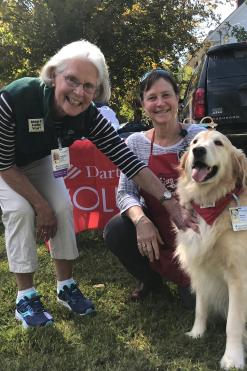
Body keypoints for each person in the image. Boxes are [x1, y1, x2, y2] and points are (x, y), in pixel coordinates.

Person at [0, 42, 195, 328]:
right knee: (20, 210)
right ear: (54, 75)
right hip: (6, 165)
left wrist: (169, 202)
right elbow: (4, 164)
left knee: (64, 206)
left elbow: (128, 162)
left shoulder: (90, 115)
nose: (79, 93)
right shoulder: (14, 97)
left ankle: (66, 286)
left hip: (39, 160)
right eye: (72, 80)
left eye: (88, 86)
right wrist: (41, 206)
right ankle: (25, 297)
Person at [104, 68, 205, 308]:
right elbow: (125, 192)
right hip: (160, 233)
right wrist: (141, 220)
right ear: (143, 103)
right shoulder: (135, 143)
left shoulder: (200, 137)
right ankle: (151, 281)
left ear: (178, 97)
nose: (160, 103)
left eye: (166, 95)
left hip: (199, 237)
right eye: (152, 97)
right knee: (116, 229)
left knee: (198, 305)